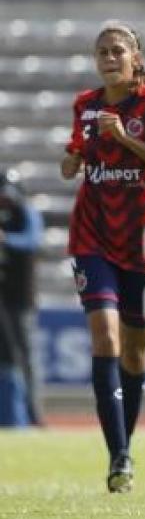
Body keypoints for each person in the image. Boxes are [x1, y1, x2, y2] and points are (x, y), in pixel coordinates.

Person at [60, 23, 145, 492]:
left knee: (135, 353)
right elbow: (74, 155)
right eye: (102, 51)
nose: (109, 57)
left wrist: (127, 139)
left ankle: (125, 446)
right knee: (105, 336)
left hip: (142, 242)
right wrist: (70, 161)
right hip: (92, 236)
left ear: (136, 57)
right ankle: (118, 457)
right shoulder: (85, 105)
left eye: (118, 50)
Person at [0, 169, 44, 427]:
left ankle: (33, 415)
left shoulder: (25, 213)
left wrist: (6, 240)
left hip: (20, 299)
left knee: (26, 358)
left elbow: (31, 240)